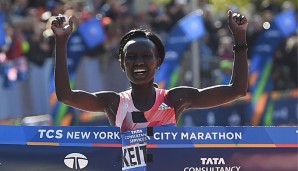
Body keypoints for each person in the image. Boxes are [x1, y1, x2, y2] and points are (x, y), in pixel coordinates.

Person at [51, 10, 248, 132]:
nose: (139, 62)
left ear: (158, 62)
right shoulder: (113, 103)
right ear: (122, 64)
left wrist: (240, 39)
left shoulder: (174, 99)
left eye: (146, 56)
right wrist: (61, 43)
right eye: (132, 57)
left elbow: (237, 91)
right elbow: (65, 96)